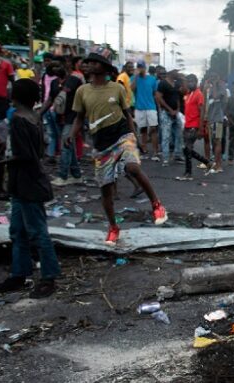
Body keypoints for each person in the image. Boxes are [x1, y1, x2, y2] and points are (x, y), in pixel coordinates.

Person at [67, 53, 167, 245]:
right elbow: (79, 118)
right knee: (106, 190)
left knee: (132, 168)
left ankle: (156, 204)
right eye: (88, 63)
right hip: (101, 144)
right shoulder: (82, 91)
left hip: (122, 136)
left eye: (95, 62)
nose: (90, 65)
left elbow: (127, 114)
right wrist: (71, 135)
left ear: (105, 68)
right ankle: (113, 227)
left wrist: (135, 137)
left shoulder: (117, 88)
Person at [0, 78, 59, 298]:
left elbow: (24, 155)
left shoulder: (19, 120)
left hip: (26, 183)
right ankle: (19, 274)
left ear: (15, 96)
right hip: (25, 183)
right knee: (18, 231)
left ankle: (49, 277)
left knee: (36, 232)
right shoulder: (34, 117)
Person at [50, 61, 84, 186]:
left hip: (72, 118)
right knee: (69, 146)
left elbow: (83, 99)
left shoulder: (75, 81)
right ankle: (76, 175)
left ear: (66, 66)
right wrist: (40, 114)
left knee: (65, 146)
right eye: (54, 67)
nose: (56, 69)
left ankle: (62, 176)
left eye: (58, 66)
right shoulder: (54, 83)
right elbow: (50, 100)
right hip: (59, 118)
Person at [176, 74, 211, 181]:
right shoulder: (189, 93)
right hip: (187, 124)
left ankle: (189, 173)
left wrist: (201, 128)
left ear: (196, 82)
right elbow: (180, 90)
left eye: (192, 81)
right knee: (187, 149)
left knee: (187, 149)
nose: (190, 83)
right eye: (188, 81)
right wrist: (183, 80)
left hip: (194, 126)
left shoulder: (198, 94)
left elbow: (202, 112)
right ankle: (206, 162)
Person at [155, 67, 184, 166]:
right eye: (176, 71)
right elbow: (158, 97)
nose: (177, 73)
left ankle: (177, 155)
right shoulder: (163, 83)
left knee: (179, 134)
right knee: (166, 136)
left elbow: (178, 97)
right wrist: (169, 110)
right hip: (166, 113)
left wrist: (177, 109)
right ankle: (166, 158)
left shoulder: (176, 83)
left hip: (175, 112)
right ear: (171, 72)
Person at [130, 61, 159, 158]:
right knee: (143, 130)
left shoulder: (152, 79)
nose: (140, 68)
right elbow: (132, 89)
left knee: (154, 129)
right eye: (139, 67)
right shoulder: (134, 78)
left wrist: (158, 107)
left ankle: (155, 151)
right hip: (139, 108)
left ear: (145, 68)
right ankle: (144, 150)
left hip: (151, 107)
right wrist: (136, 76)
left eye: (142, 67)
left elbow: (155, 93)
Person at [205, 73, 227, 173]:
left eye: (215, 77)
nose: (213, 79)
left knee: (217, 141)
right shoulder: (210, 88)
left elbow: (215, 96)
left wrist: (214, 84)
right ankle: (216, 163)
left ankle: (218, 165)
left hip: (218, 119)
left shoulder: (221, 88)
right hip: (211, 119)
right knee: (213, 142)